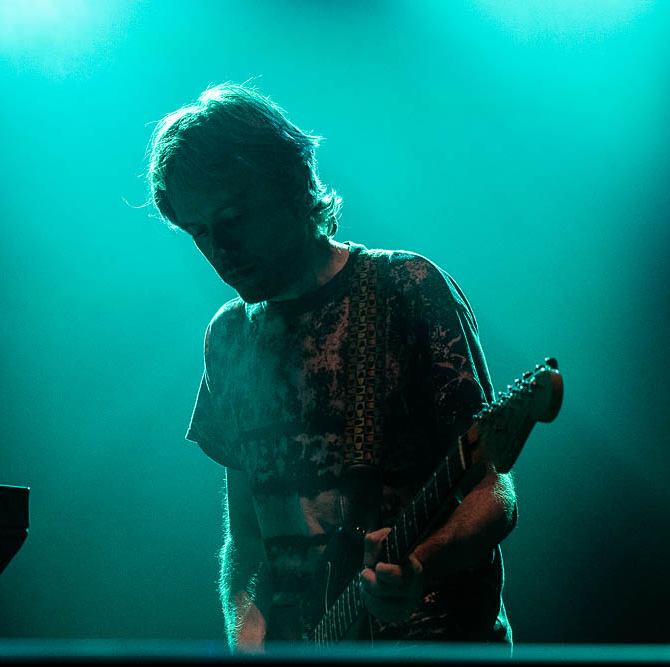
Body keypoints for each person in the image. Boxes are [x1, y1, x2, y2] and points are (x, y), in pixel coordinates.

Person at [146, 83, 517, 650]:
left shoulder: (405, 289)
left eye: (233, 217)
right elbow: (247, 540)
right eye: (198, 231)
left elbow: (493, 491)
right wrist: (246, 642)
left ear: (291, 184)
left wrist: (421, 566)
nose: (220, 247)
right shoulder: (228, 339)